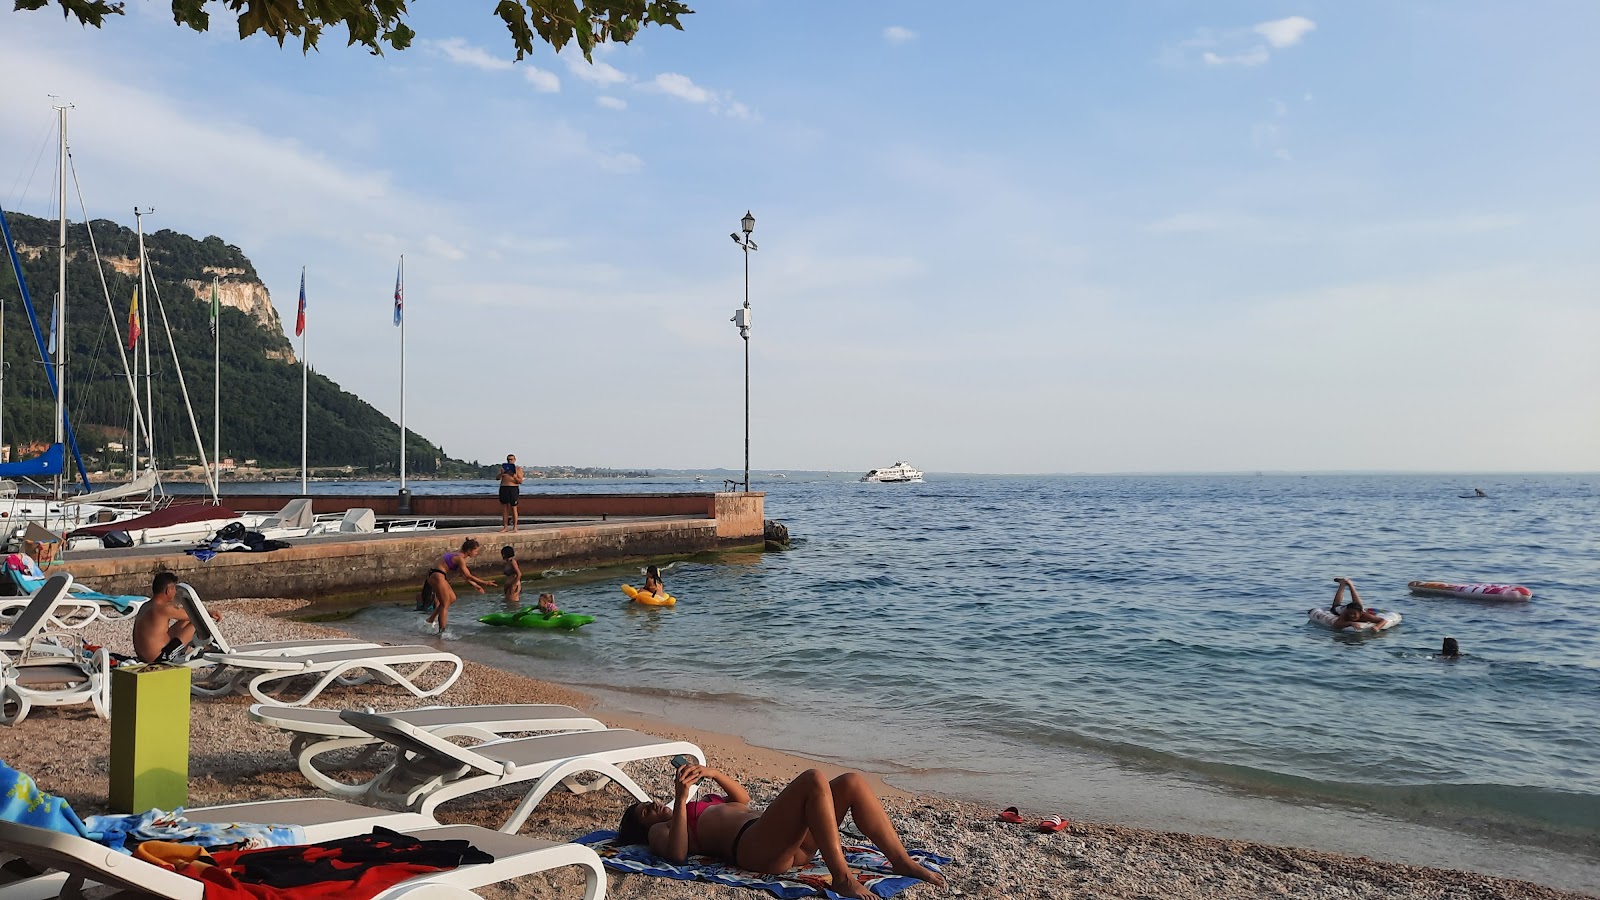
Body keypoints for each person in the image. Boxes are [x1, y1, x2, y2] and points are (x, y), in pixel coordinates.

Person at [617, 764, 943, 900]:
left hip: (791, 841)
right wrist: (679, 798)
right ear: (642, 826)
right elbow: (677, 854)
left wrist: (713, 773)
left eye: (652, 802)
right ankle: (842, 877)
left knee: (851, 782)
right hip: (753, 846)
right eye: (646, 811)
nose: (655, 806)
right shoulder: (663, 830)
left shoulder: (709, 801)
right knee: (814, 778)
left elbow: (742, 798)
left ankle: (899, 860)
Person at [132, 572, 219, 664]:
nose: (175, 592)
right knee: (197, 621)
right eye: (174, 589)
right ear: (168, 590)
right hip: (160, 658)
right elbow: (195, 615)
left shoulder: (146, 606)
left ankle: (203, 644)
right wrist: (209, 613)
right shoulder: (164, 608)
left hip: (144, 656)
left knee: (187, 620)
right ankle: (211, 647)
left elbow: (186, 615)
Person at [419, 539, 492, 634]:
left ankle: (430, 620)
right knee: (445, 604)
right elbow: (468, 575)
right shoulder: (459, 558)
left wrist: (475, 585)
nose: (477, 553)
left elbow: (463, 575)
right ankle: (442, 632)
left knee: (452, 598)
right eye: (475, 551)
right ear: (469, 550)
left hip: (437, 575)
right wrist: (485, 582)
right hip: (437, 575)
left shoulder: (458, 556)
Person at [498, 454, 524, 533]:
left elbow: (520, 481)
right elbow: (497, 478)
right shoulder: (503, 468)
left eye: (511, 459)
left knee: (514, 508)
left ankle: (515, 527)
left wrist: (514, 476)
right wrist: (502, 473)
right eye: (509, 459)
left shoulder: (518, 469)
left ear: (514, 460)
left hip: (513, 488)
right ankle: (505, 527)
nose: (510, 461)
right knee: (505, 508)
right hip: (504, 488)